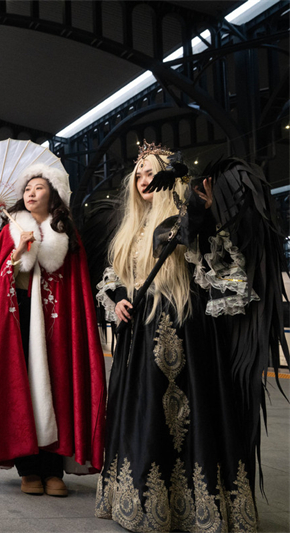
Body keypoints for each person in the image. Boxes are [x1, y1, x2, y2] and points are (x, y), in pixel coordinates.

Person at [94, 143, 261, 531]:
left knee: (184, 416)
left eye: (151, 172)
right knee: (143, 413)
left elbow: (223, 273)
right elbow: (114, 276)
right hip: (137, 334)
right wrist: (118, 299)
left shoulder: (189, 217)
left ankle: (193, 506)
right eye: (137, 175)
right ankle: (141, 501)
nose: (143, 181)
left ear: (171, 178)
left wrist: (200, 224)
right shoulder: (130, 227)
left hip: (183, 331)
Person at [0, 163, 107, 497]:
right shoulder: (11, 231)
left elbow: (78, 285)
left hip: (59, 329)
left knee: (60, 388)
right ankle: (29, 469)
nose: (31, 194)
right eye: (28, 189)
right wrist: (18, 254)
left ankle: (54, 470)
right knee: (23, 390)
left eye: (39, 188)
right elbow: (2, 285)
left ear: (54, 194)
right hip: (20, 328)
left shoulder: (67, 232)